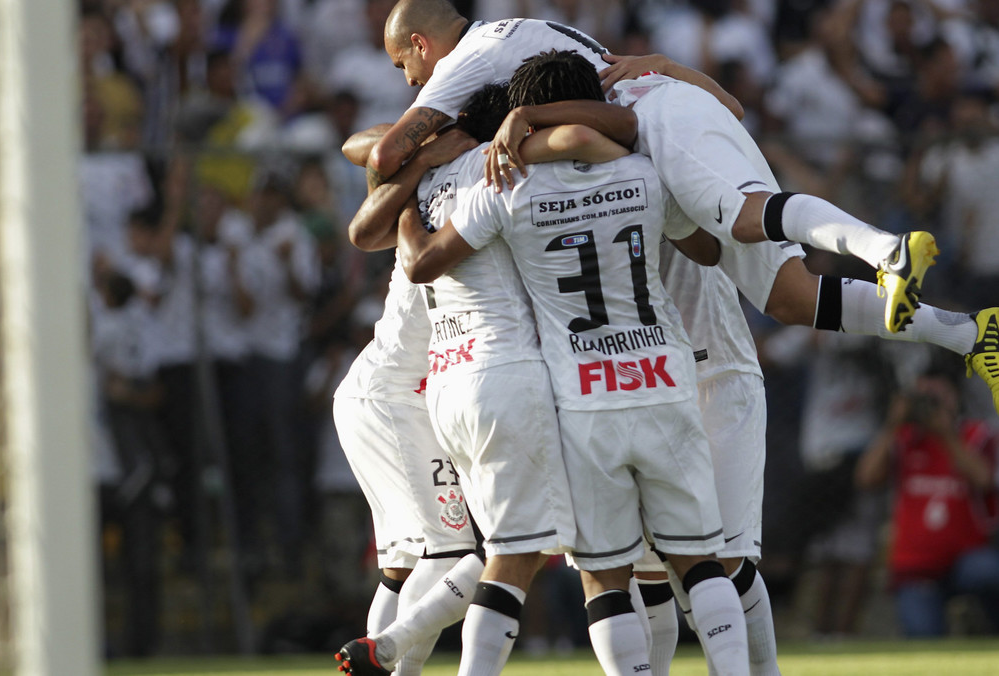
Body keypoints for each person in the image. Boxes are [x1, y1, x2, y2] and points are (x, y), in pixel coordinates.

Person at [397, 52, 752, 676]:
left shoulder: (501, 191)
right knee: (699, 560)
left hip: (582, 399)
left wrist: (407, 201)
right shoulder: (644, 173)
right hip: (664, 379)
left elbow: (424, 263)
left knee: (607, 578)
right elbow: (704, 246)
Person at [369, 0, 942, 341]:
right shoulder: (516, 32)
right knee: (790, 299)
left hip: (663, 120)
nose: (410, 82)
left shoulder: (467, 58)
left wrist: (426, 154)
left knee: (744, 220)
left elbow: (387, 153)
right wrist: (668, 65)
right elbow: (733, 111)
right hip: (679, 107)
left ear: (420, 43)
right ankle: (966, 334)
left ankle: (887, 251)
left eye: (403, 65)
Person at [331, 126, 483, 676]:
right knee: (461, 556)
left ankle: (384, 659)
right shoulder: (484, 182)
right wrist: (434, 146)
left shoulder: (425, 184)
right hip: (397, 395)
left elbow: (364, 147)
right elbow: (363, 147)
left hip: (379, 388)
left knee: (402, 565)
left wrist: (425, 147)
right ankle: (386, 658)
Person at [856, 366, 999, 637]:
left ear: (954, 397)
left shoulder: (974, 435)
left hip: (967, 561)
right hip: (916, 568)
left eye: (936, 397)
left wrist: (945, 434)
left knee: (992, 574)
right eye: (922, 398)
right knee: (922, 636)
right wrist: (892, 425)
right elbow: (866, 478)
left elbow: (983, 479)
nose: (928, 405)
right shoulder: (903, 441)